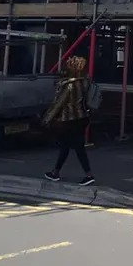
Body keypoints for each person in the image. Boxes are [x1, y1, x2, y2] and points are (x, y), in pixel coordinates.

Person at [43, 55, 95, 185]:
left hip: (69, 120)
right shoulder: (85, 83)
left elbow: (58, 104)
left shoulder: (68, 86)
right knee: (68, 146)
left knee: (74, 147)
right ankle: (56, 172)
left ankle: (88, 175)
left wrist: (47, 119)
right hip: (83, 118)